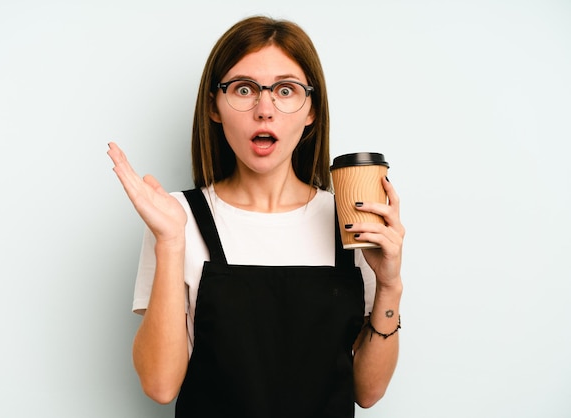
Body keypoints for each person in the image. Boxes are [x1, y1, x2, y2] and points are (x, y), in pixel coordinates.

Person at [107, 15, 405, 418]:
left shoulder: (350, 220)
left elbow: (368, 392)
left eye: (285, 90)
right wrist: (170, 242)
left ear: (311, 110)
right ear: (214, 106)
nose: (264, 109)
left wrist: (389, 285)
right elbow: (160, 386)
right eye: (244, 89)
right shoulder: (175, 217)